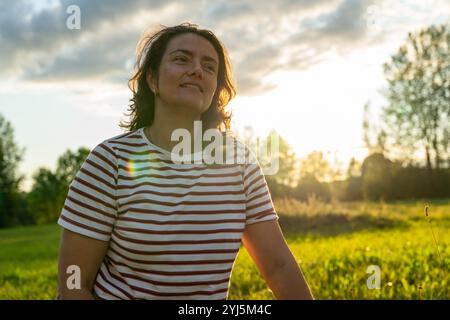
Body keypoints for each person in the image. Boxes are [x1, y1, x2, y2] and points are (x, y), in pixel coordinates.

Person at [57, 22, 313, 300]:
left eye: (209, 66)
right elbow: (73, 286)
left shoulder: (239, 162)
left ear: (215, 89)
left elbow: (279, 266)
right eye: (181, 59)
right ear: (152, 79)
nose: (197, 70)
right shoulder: (108, 161)